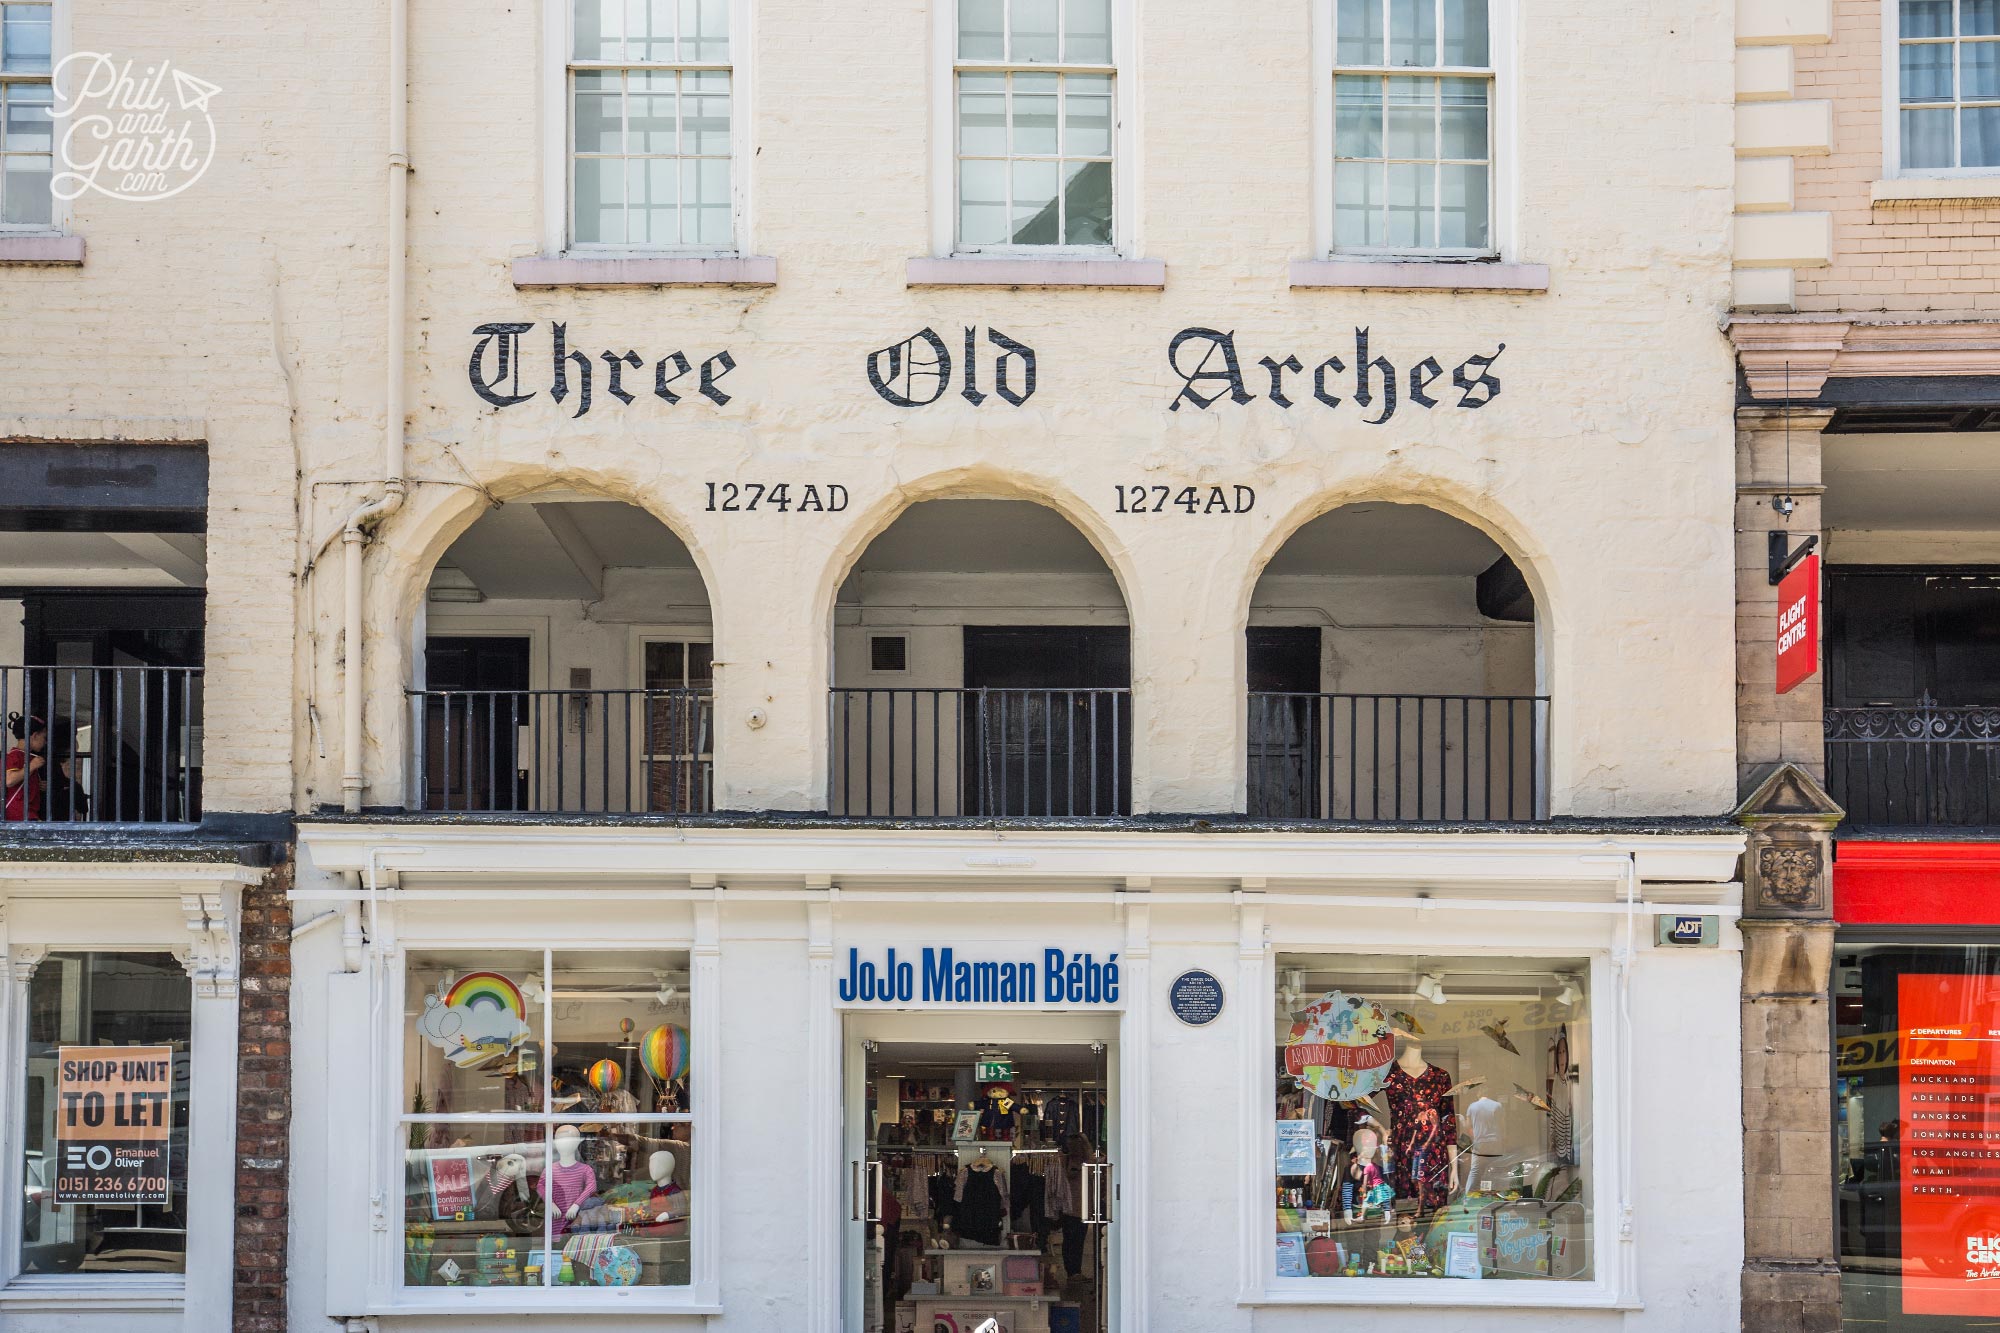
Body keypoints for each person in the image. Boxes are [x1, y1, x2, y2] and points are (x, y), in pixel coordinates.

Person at [4, 713, 47, 822]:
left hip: (27, 814)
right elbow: (9, 780)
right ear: (35, 736)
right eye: (44, 737)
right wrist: (31, 766)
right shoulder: (14, 755)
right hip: (18, 816)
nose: (45, 742)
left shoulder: (28, 756)